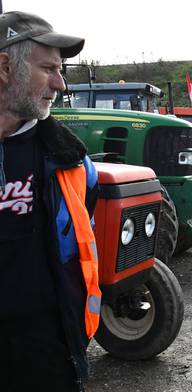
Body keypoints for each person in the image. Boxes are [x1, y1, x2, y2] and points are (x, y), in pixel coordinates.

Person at [0, 11, 100, 391]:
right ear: (5, 66)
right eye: (48, 69)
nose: (59, 83)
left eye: (61, 71)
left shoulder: (72, 164)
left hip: (48, 359)